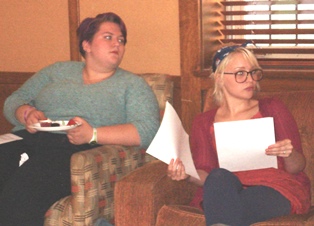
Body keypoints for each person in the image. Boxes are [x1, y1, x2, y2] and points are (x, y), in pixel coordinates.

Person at [0, 12, 159, 225]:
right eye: (108, 37)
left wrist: (92, 134)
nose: (117, 45)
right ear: (87, 45)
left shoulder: (132, 85)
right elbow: (14, 100)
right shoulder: (57, 71)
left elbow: (148, 130)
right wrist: (26, 113)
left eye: (121, 40)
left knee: (24, 190)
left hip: (74, 149)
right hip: (28, 137)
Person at [167, 44, 311, 226]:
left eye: (253, 72)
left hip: (275, 187)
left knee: (226, 205)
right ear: (219, 78)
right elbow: (205, 174)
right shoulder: (203, 122)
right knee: (218, 177)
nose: (250, 79)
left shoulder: (273, 108)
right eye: (240, 73)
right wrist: (186, 174)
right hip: (227, 187)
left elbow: (297, 166)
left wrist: (289, 153)